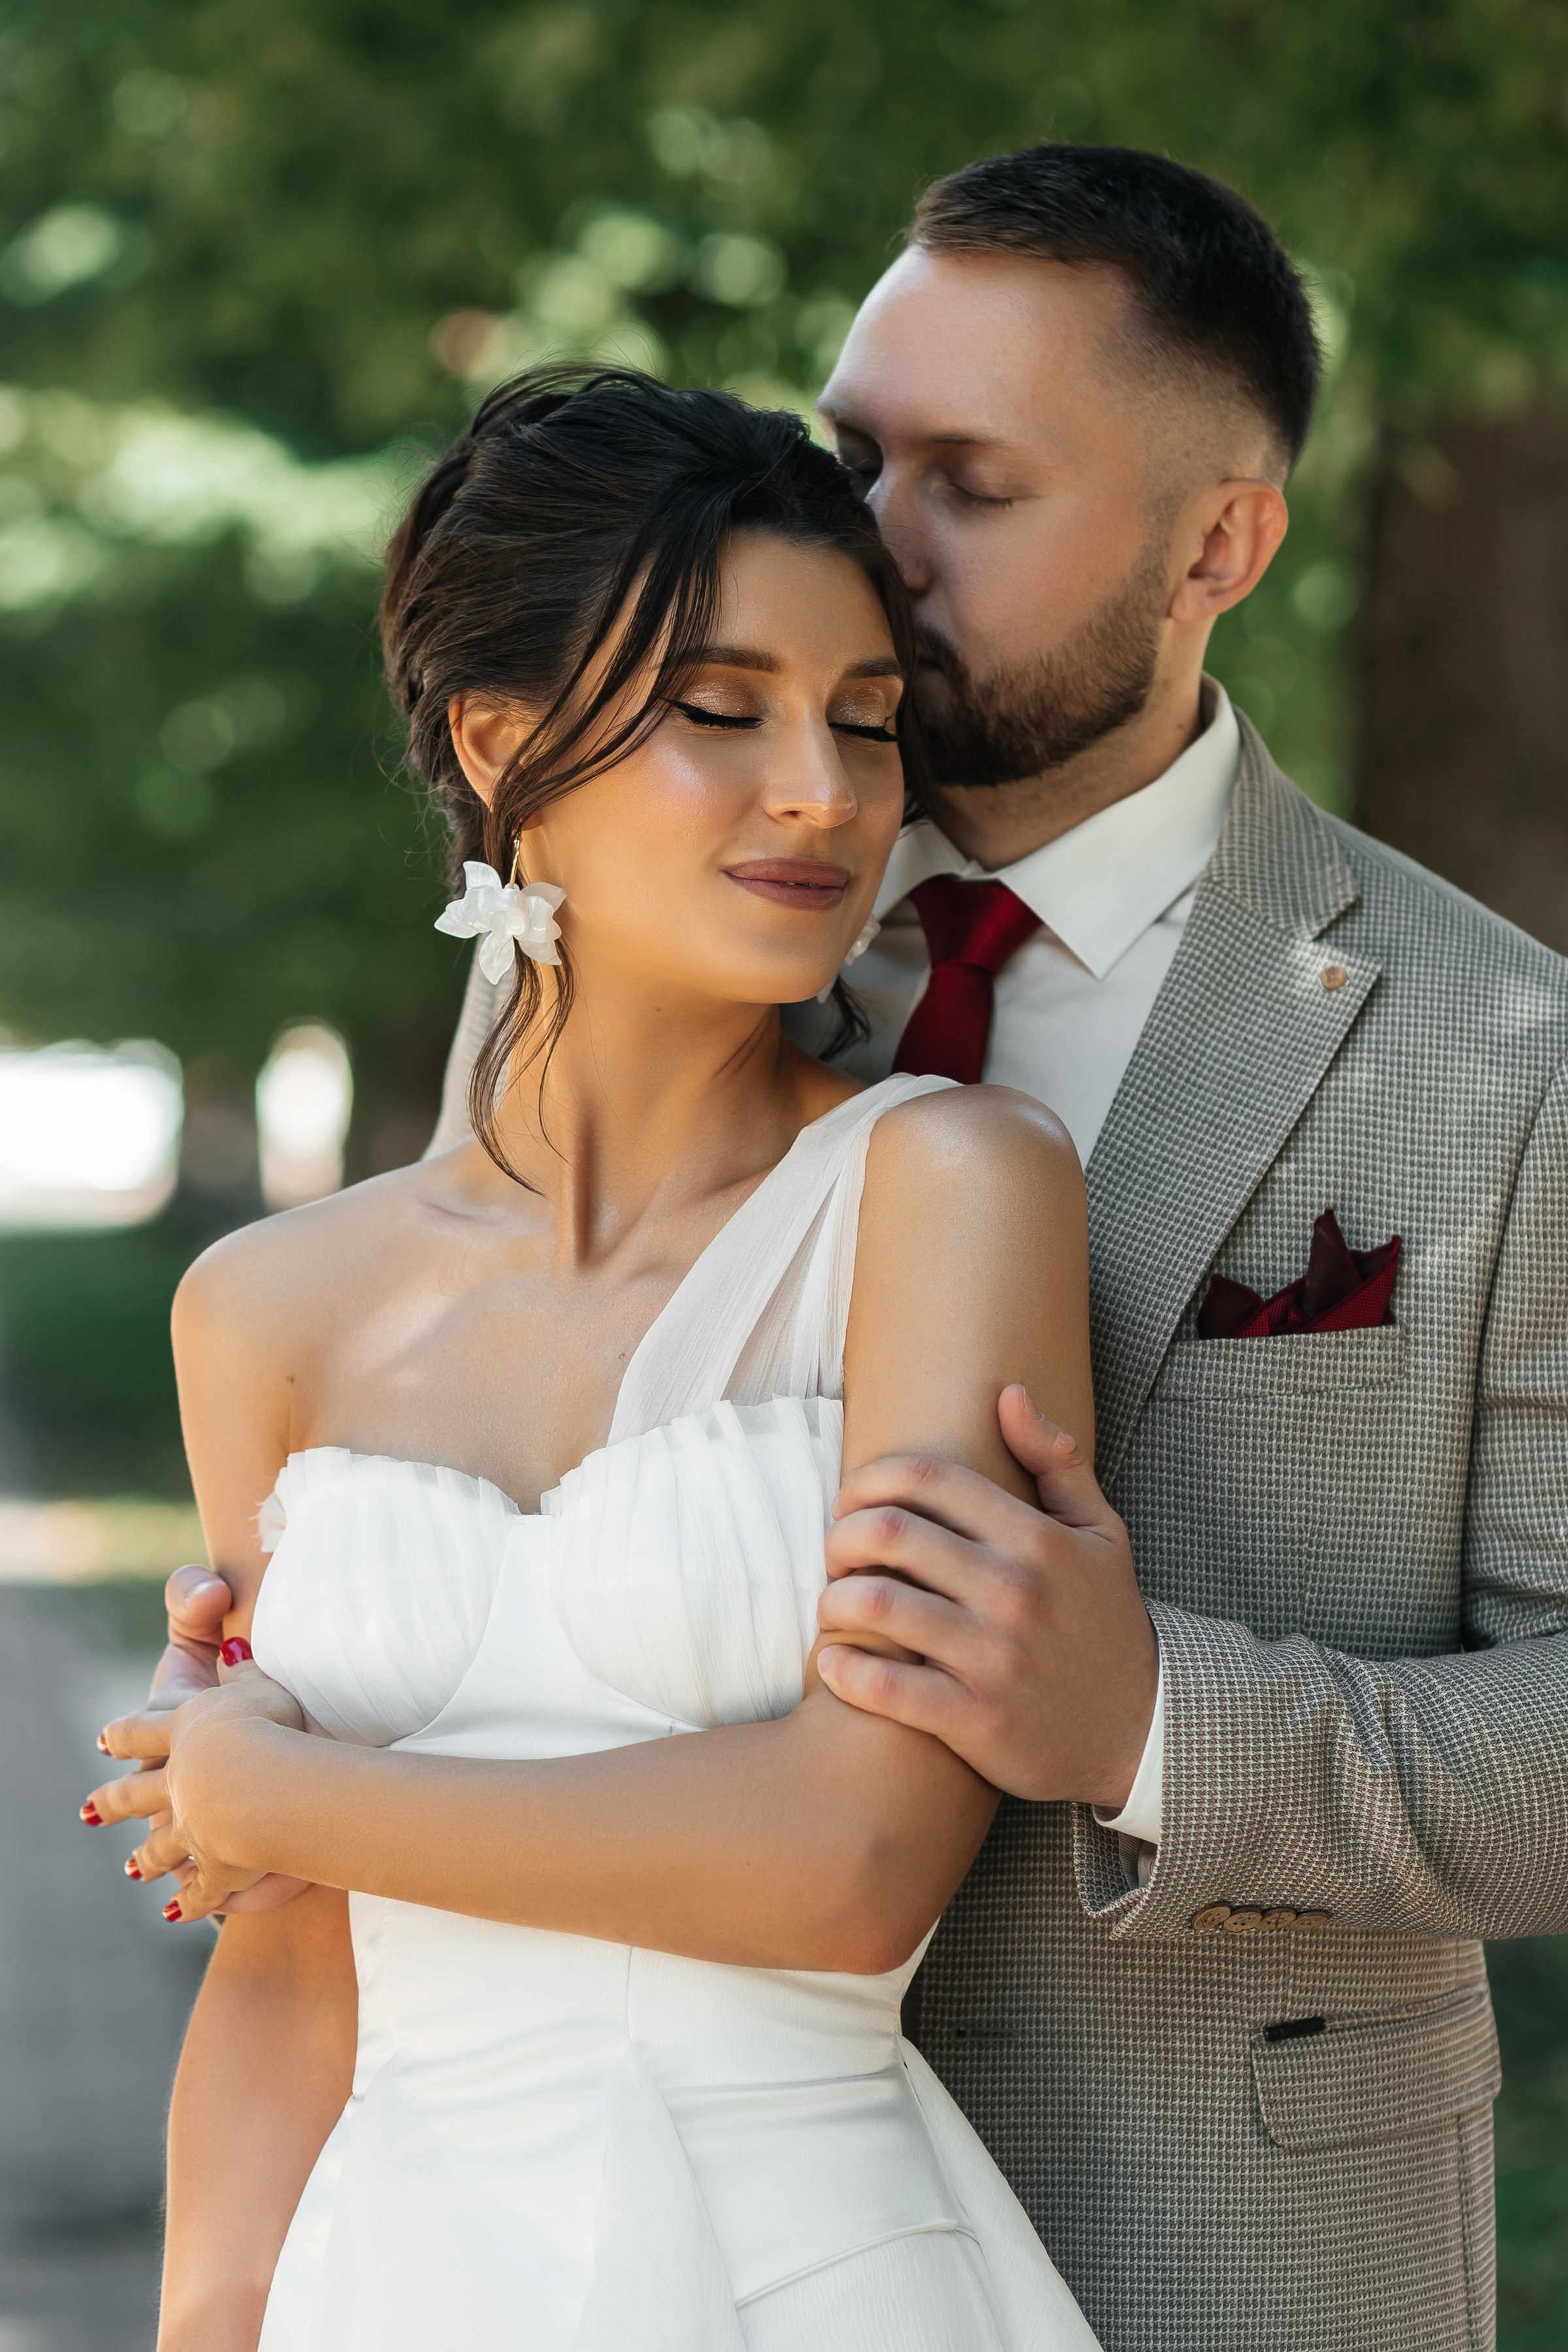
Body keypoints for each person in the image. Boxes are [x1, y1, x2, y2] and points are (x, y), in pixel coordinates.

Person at [109, 144, 1568, 2349]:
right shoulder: (624, 935)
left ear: (1218, 547)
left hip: (1221, 2243)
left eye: (970, 485)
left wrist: (1160, 1721)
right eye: (861, 450)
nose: (878, 533)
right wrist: (292, 1676)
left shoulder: (1498, 1055)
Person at [87, 367, 1103, 2351]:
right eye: (722, 710)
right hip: (388, 2283)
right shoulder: (270, 1308)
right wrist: (209, 2322)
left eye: (865, 718)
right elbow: (291, 1977)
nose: (825, 790)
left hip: (813, 2273)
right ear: (499, 743)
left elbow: (851, 1861)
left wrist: (269, 1790)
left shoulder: (948, 1187)